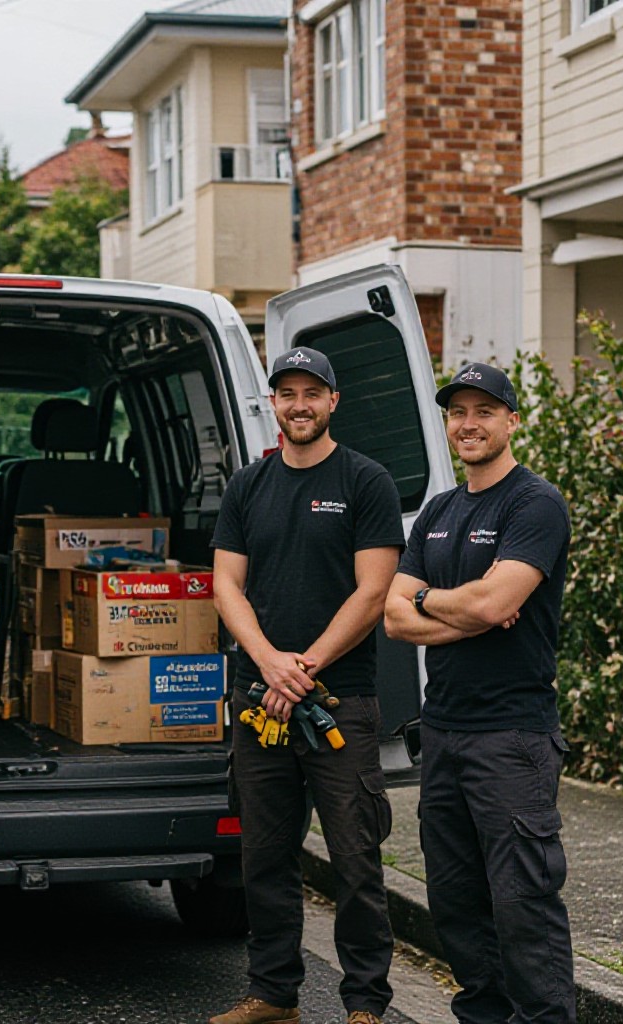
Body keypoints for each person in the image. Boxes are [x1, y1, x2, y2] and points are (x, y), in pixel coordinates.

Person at [209, 347, 405, 1024]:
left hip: (338, 702)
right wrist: (268, 662)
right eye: (287, 394)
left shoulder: (366, 480)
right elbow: (226, 585)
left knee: (355, 859)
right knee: (264, 856)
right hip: (259, 700)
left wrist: (303, 669)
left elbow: (373, 591)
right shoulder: (248, 486)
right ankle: (273, 994)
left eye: (311, 393)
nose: (299, 405)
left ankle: (366, 1004)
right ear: (273, 403)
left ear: (332, 402)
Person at [384, 363, 575, 1024]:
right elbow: (394, 616)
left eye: (484, 411)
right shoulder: (438, 511)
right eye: (458, 412)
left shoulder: (535, 504)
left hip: (512, 738)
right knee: (457, 903)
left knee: (523, 903)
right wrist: (464, 609)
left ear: (512, 421)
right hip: (443, 732)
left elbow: (493, 603)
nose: (468, 424)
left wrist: (435, 600)